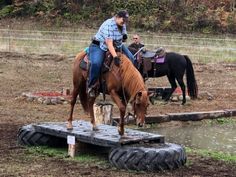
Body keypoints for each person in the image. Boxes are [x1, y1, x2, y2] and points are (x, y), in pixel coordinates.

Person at [88, 10, 135, 97]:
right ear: (117, 17)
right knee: (96, 63)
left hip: (117, 44)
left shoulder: (122, 24)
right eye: (123, 20)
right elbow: (109, 44)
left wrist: (124, 37)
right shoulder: (109, 25)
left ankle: (129, 82)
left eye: (125, 20)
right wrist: (115, 57)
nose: (124, 22)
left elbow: (123, 37)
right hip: (100, 46)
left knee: (132, 58)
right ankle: (92, 85)